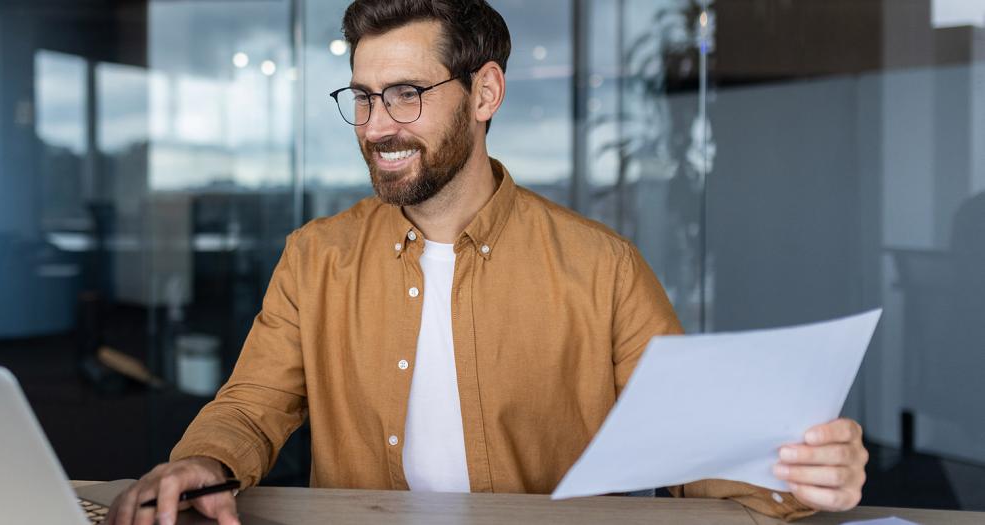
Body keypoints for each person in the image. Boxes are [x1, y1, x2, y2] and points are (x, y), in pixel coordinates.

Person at [107, 2, 868, 524]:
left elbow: (697, 448)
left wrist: (800, 473)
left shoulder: (601, 268)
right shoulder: (316, 258)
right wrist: (201, 464)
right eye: (363, 97)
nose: (376, 127)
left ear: (485, 92)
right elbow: (249, 406)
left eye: (406, 94)